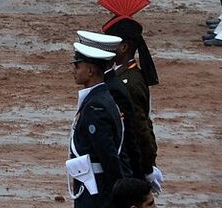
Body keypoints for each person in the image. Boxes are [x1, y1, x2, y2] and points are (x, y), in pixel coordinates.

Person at [97, 15, 159, 190]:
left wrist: (146, 169)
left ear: (123, 47)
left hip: (132, 163)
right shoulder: (122, 75)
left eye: (110, 42)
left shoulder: (129, 82)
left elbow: (140, 128)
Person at [68, 34, 130, 206]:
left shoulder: (97, 107)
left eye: (77, 66)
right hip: (93, 184)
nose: (74, 70)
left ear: (90, 70)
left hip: (97, 190)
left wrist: (118, 194)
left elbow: (108, 155)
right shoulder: (98, 98)